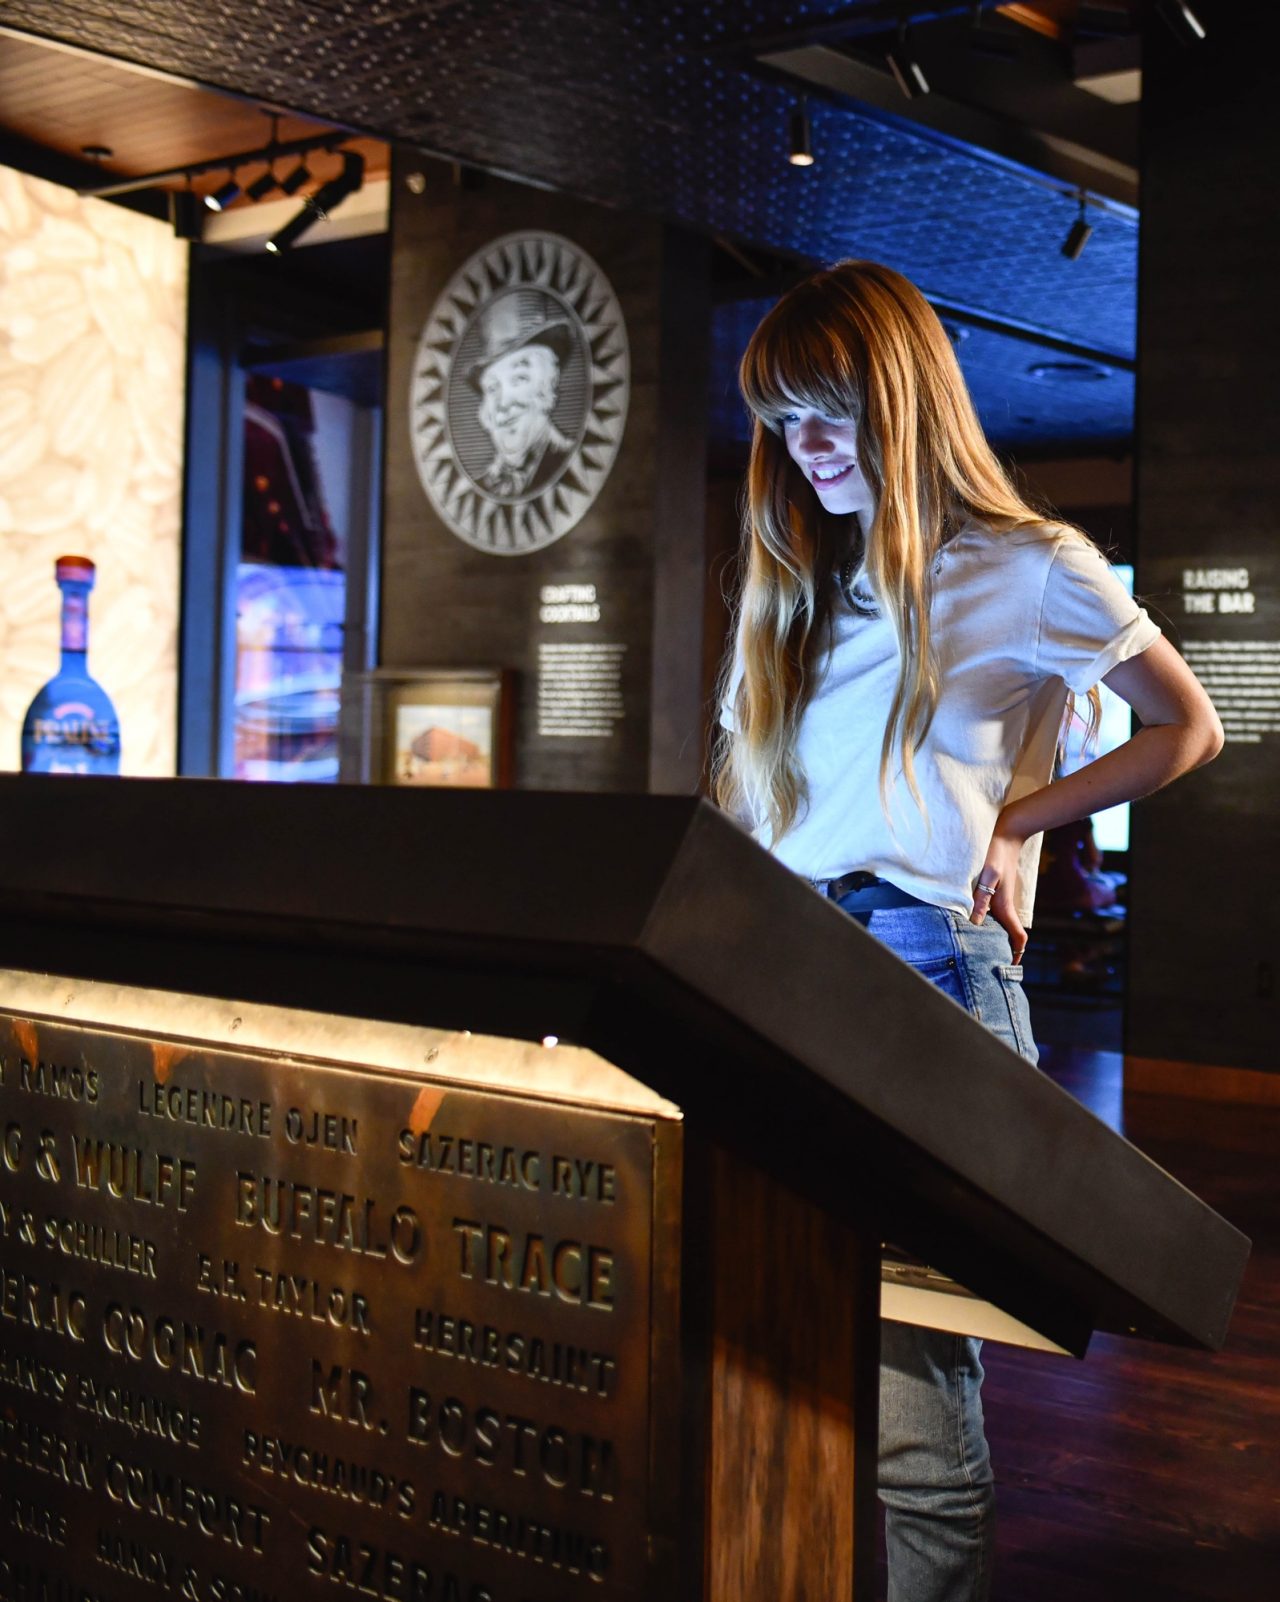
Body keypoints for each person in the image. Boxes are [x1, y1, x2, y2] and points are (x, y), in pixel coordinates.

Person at [713, 260, 1223, 1602]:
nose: (802, 449)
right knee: (764, 1341)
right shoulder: (794, 578)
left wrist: (1021, 823)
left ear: (895, 401)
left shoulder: (1031, 566)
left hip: (923, 977)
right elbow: (754, 801)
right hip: (776, 972)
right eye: (782, 421)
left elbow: (1190, 726)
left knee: (909, 1390)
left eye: (825, 413)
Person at [466, 291, 575, 499]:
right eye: (492, 389)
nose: (503, 405)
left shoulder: (570, 462)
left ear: (546, 385)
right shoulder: (481, 487)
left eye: (518, 380)